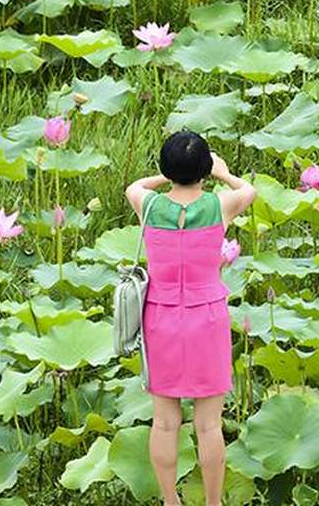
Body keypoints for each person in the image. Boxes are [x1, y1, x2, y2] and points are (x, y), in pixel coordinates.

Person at [123, 130, 256, 506]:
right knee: (209, 424)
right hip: (207, 317)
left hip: (160, 318)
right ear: (204, 169)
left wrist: (167, 175)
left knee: (165, 422)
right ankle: (213, 503)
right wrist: (223, 172)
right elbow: (248, 190)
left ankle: (171, 501)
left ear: (166, 168)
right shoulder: (220, 206)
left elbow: (135, 184)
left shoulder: (147, 204)